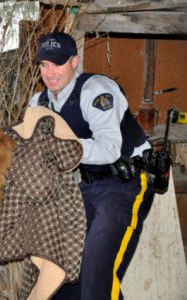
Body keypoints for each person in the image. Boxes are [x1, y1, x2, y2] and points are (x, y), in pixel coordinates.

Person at [29, 31, 155, 300]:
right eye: (44, 65)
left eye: (58, 63)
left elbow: (109, 148)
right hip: (85, 186)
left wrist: (62, 145)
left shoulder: (95, 90)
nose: (50, 73)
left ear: (75, 62)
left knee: (97, 268)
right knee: (64, 271)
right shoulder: (39, 104)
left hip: (126, 184)